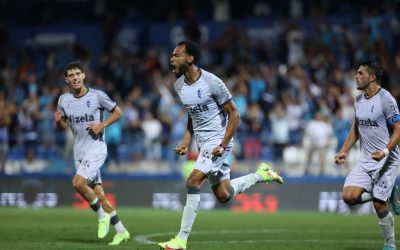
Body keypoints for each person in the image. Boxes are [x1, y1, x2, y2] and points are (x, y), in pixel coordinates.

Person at [158, 40, 283, 250]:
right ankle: (261, 174)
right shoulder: (179, 85)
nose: (172, 58)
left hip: (218, 141)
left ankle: (181, 239)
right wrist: (187, 140)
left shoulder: (211, 82)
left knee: (193, 181)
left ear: (190, 59)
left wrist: (223, 145)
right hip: (203, 143)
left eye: (177, 55)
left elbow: (234, 113)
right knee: (224, 194)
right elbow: (193, 113)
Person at [54, 62, 130, 245]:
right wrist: (58, 123)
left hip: (96, 148)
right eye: (71, 75)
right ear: (67, 79)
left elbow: (118, 112)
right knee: (99, 195)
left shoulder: (97, 96)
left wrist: (101, 125)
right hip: (79, 151)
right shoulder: (63, 100)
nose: (75, 77)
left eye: (78, 74)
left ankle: (101, 216)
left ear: (84, 76)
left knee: (77, 183)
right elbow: (63, 126)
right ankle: (121, 230)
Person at [335, 60, 400, 250]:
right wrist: (344, 150)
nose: (356, 76)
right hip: (365, 159)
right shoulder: (358, 100)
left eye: (360, 73)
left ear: (372, 77)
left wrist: (386, 150)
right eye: (356, 73)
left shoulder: (386, 99)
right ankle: (390, 192)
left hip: (386, 159)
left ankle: (390, 245)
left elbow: (398, 129)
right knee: (349, 197)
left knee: (380, 205)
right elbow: (357, 127)